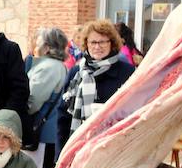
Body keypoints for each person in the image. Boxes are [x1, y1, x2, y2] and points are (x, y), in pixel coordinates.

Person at [58, 19, 136, 148]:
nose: (97, 47)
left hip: (115, 145)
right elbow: (63, 115)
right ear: (86, 44)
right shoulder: (76, 72)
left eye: (102, 42)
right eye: (93, 42)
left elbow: (134, 109)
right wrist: (60, 154)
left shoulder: (126, 72)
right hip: (79, 146)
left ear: (112, 43)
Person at [25, 27, 68, 168]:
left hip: (43, 133)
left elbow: (33, 101)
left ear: (47, 47)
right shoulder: (55, 66)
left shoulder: (48, 67)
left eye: (37, 43)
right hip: (47, 132)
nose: (34, 47)